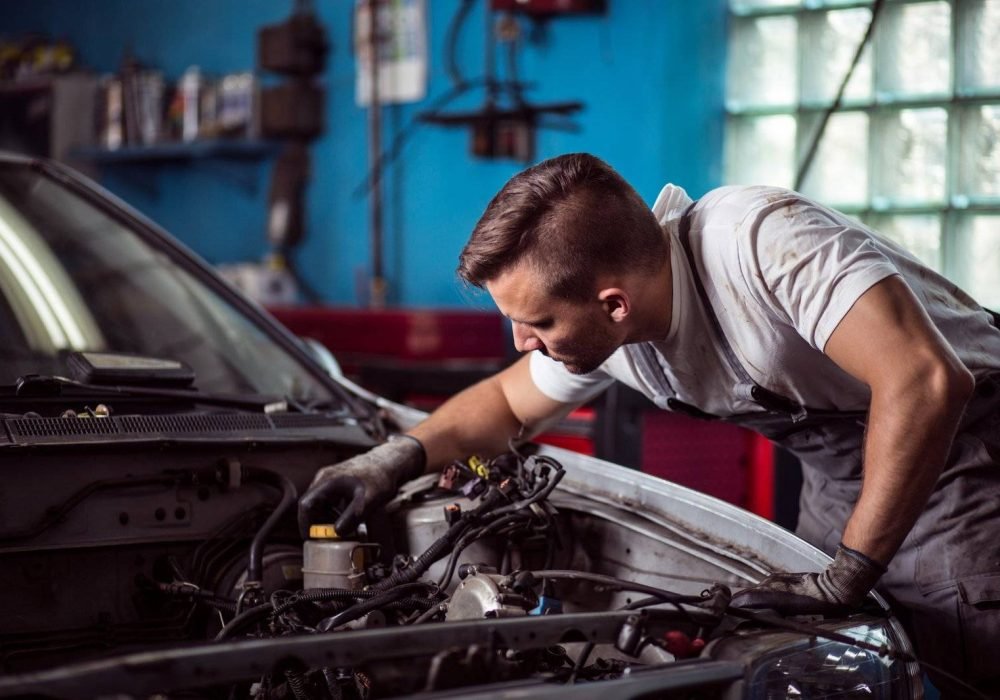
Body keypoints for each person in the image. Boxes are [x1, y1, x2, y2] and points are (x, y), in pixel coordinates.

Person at [299, 153, 1000, 697]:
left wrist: (849, 569)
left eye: (536, 323)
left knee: (966, 654)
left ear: (614, 304)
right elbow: (507, 406)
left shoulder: (762, 243)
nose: (522, 342)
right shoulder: (618, 333)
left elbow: (926, 380)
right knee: (828, 657)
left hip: (963, 440)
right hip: (842, 465)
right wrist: (396, 457)